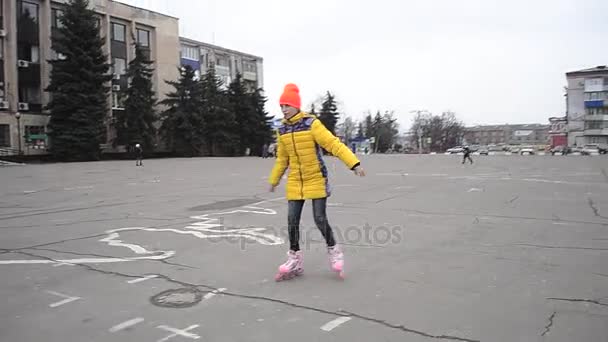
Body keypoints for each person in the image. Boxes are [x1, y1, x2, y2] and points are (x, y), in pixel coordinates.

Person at [268, 83, 366, 281]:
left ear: (296, 105)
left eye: (287, 105)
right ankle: (294, 258)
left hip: (316, 178)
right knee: (291, 220)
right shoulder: (283, 130)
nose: (284, 109)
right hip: (296, 180)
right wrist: (274, 180)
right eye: (281, 106)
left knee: (319, 218)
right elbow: (282, 159)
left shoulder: (311, 124)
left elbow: (333, 144)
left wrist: (354, 164)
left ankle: (334, 250)